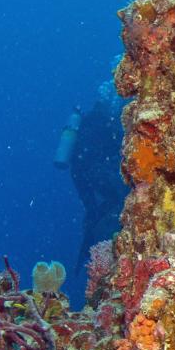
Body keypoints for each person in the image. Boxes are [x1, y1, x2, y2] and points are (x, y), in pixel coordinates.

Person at [54, 79, 128, 267]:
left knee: (92, 210)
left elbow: (77, 160)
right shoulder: (109, 122)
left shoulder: (85, 122)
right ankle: (107, 247)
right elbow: (123, 145)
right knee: (122, 199)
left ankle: (91, 247)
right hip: (97, 173)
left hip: (81, 174)